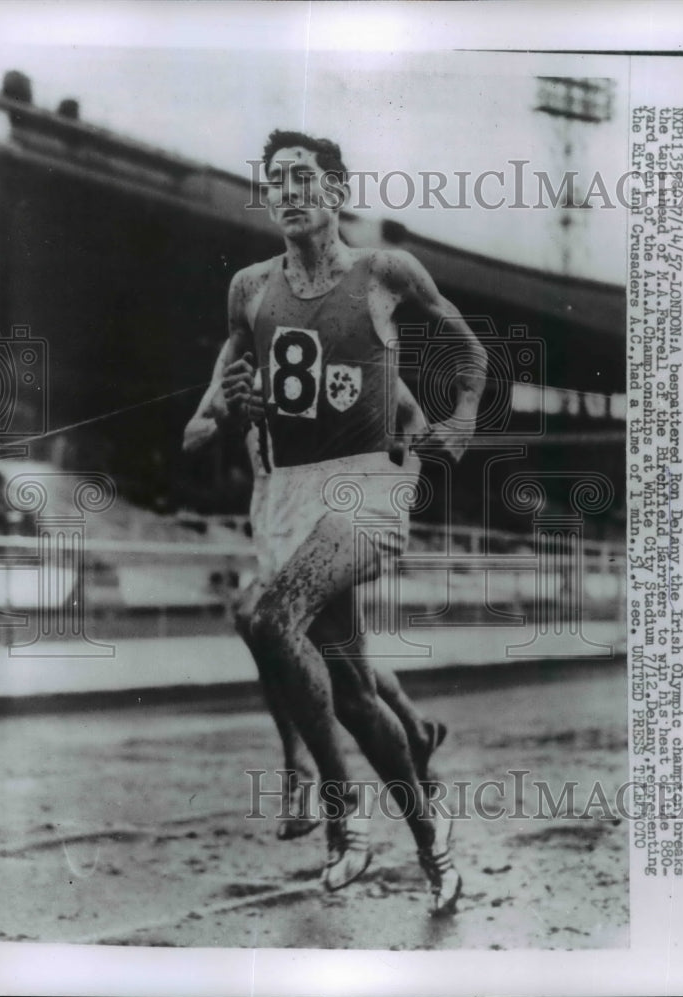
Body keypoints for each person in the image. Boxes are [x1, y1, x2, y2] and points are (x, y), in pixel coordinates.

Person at [204, 129, 486, 915]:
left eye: (303, 177)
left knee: (267, 614)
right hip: (291, 493)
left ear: (334, 189)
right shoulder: (250, 287)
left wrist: (459, 418)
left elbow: (467, 349)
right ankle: (435, 846)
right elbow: (233, 390)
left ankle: (340, 814)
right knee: (354, 689)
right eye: (275, 179)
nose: (287, 190)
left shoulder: (383, 271)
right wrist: (236, 407)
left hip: (368, 489)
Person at [184, 357, 448, 840]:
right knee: (340, 664)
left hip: (336, 527)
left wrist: (397, 486)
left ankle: (304, 773)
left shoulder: (342, 336)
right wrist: (228, 416)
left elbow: (414, 422)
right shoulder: (239, 352)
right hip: (276, 525)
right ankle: (414, 731)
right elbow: (193, 436)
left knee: (259, 619)